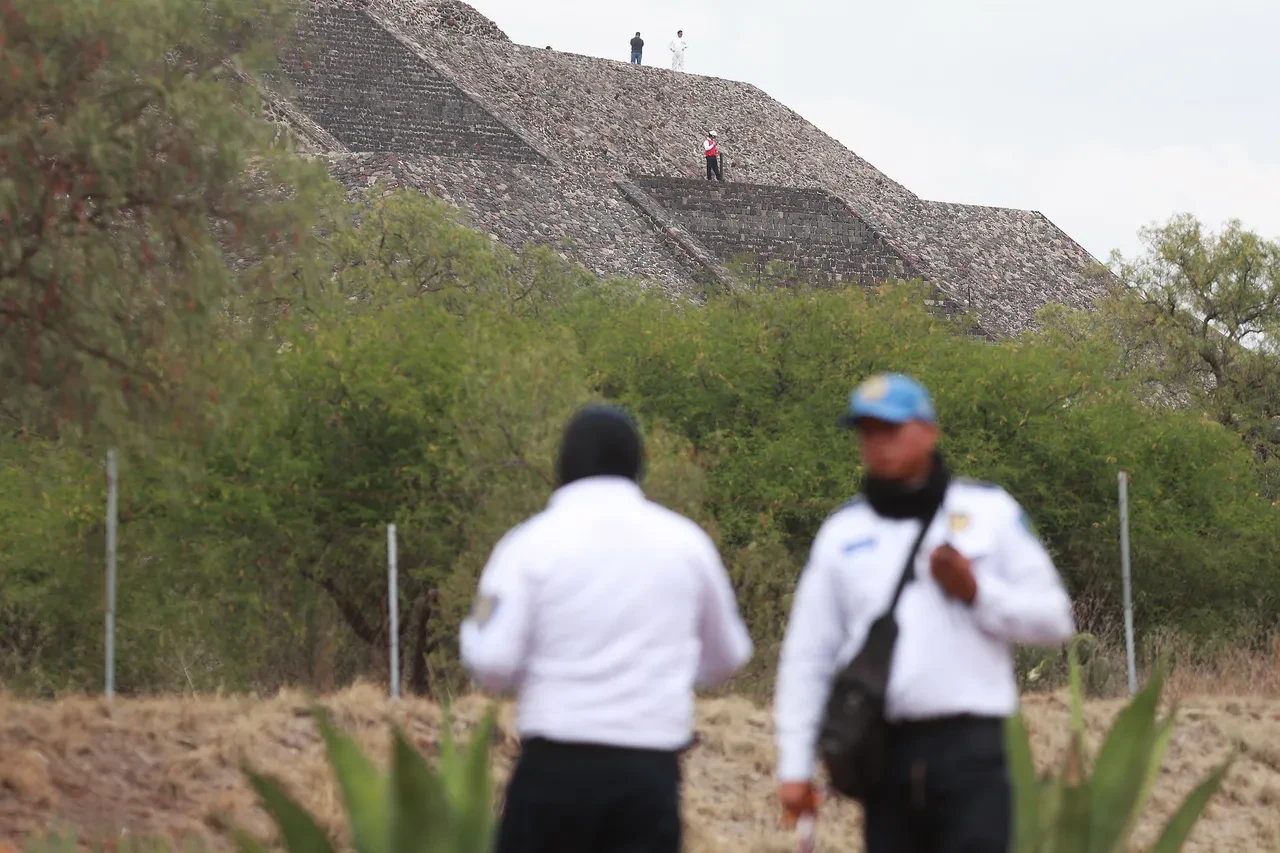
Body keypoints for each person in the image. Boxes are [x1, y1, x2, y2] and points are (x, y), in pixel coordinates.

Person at [773, 373, 1075, 853]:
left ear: (928, 432)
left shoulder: (988, 512)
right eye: (866, 432)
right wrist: (794, 765)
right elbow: (808, 655)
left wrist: (978, 592)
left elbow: (1055, 620)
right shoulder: (841, 533)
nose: (878, 444)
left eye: (890, 429)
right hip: (884, 752)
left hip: (971, 751)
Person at [462, 403, 753, 853]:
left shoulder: (525, 545)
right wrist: (665, 671)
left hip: (552, 770)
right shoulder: (686, 543)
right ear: (638, 465)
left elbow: (491, 661)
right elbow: (727, 656)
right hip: (647, 776)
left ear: (562, 465)